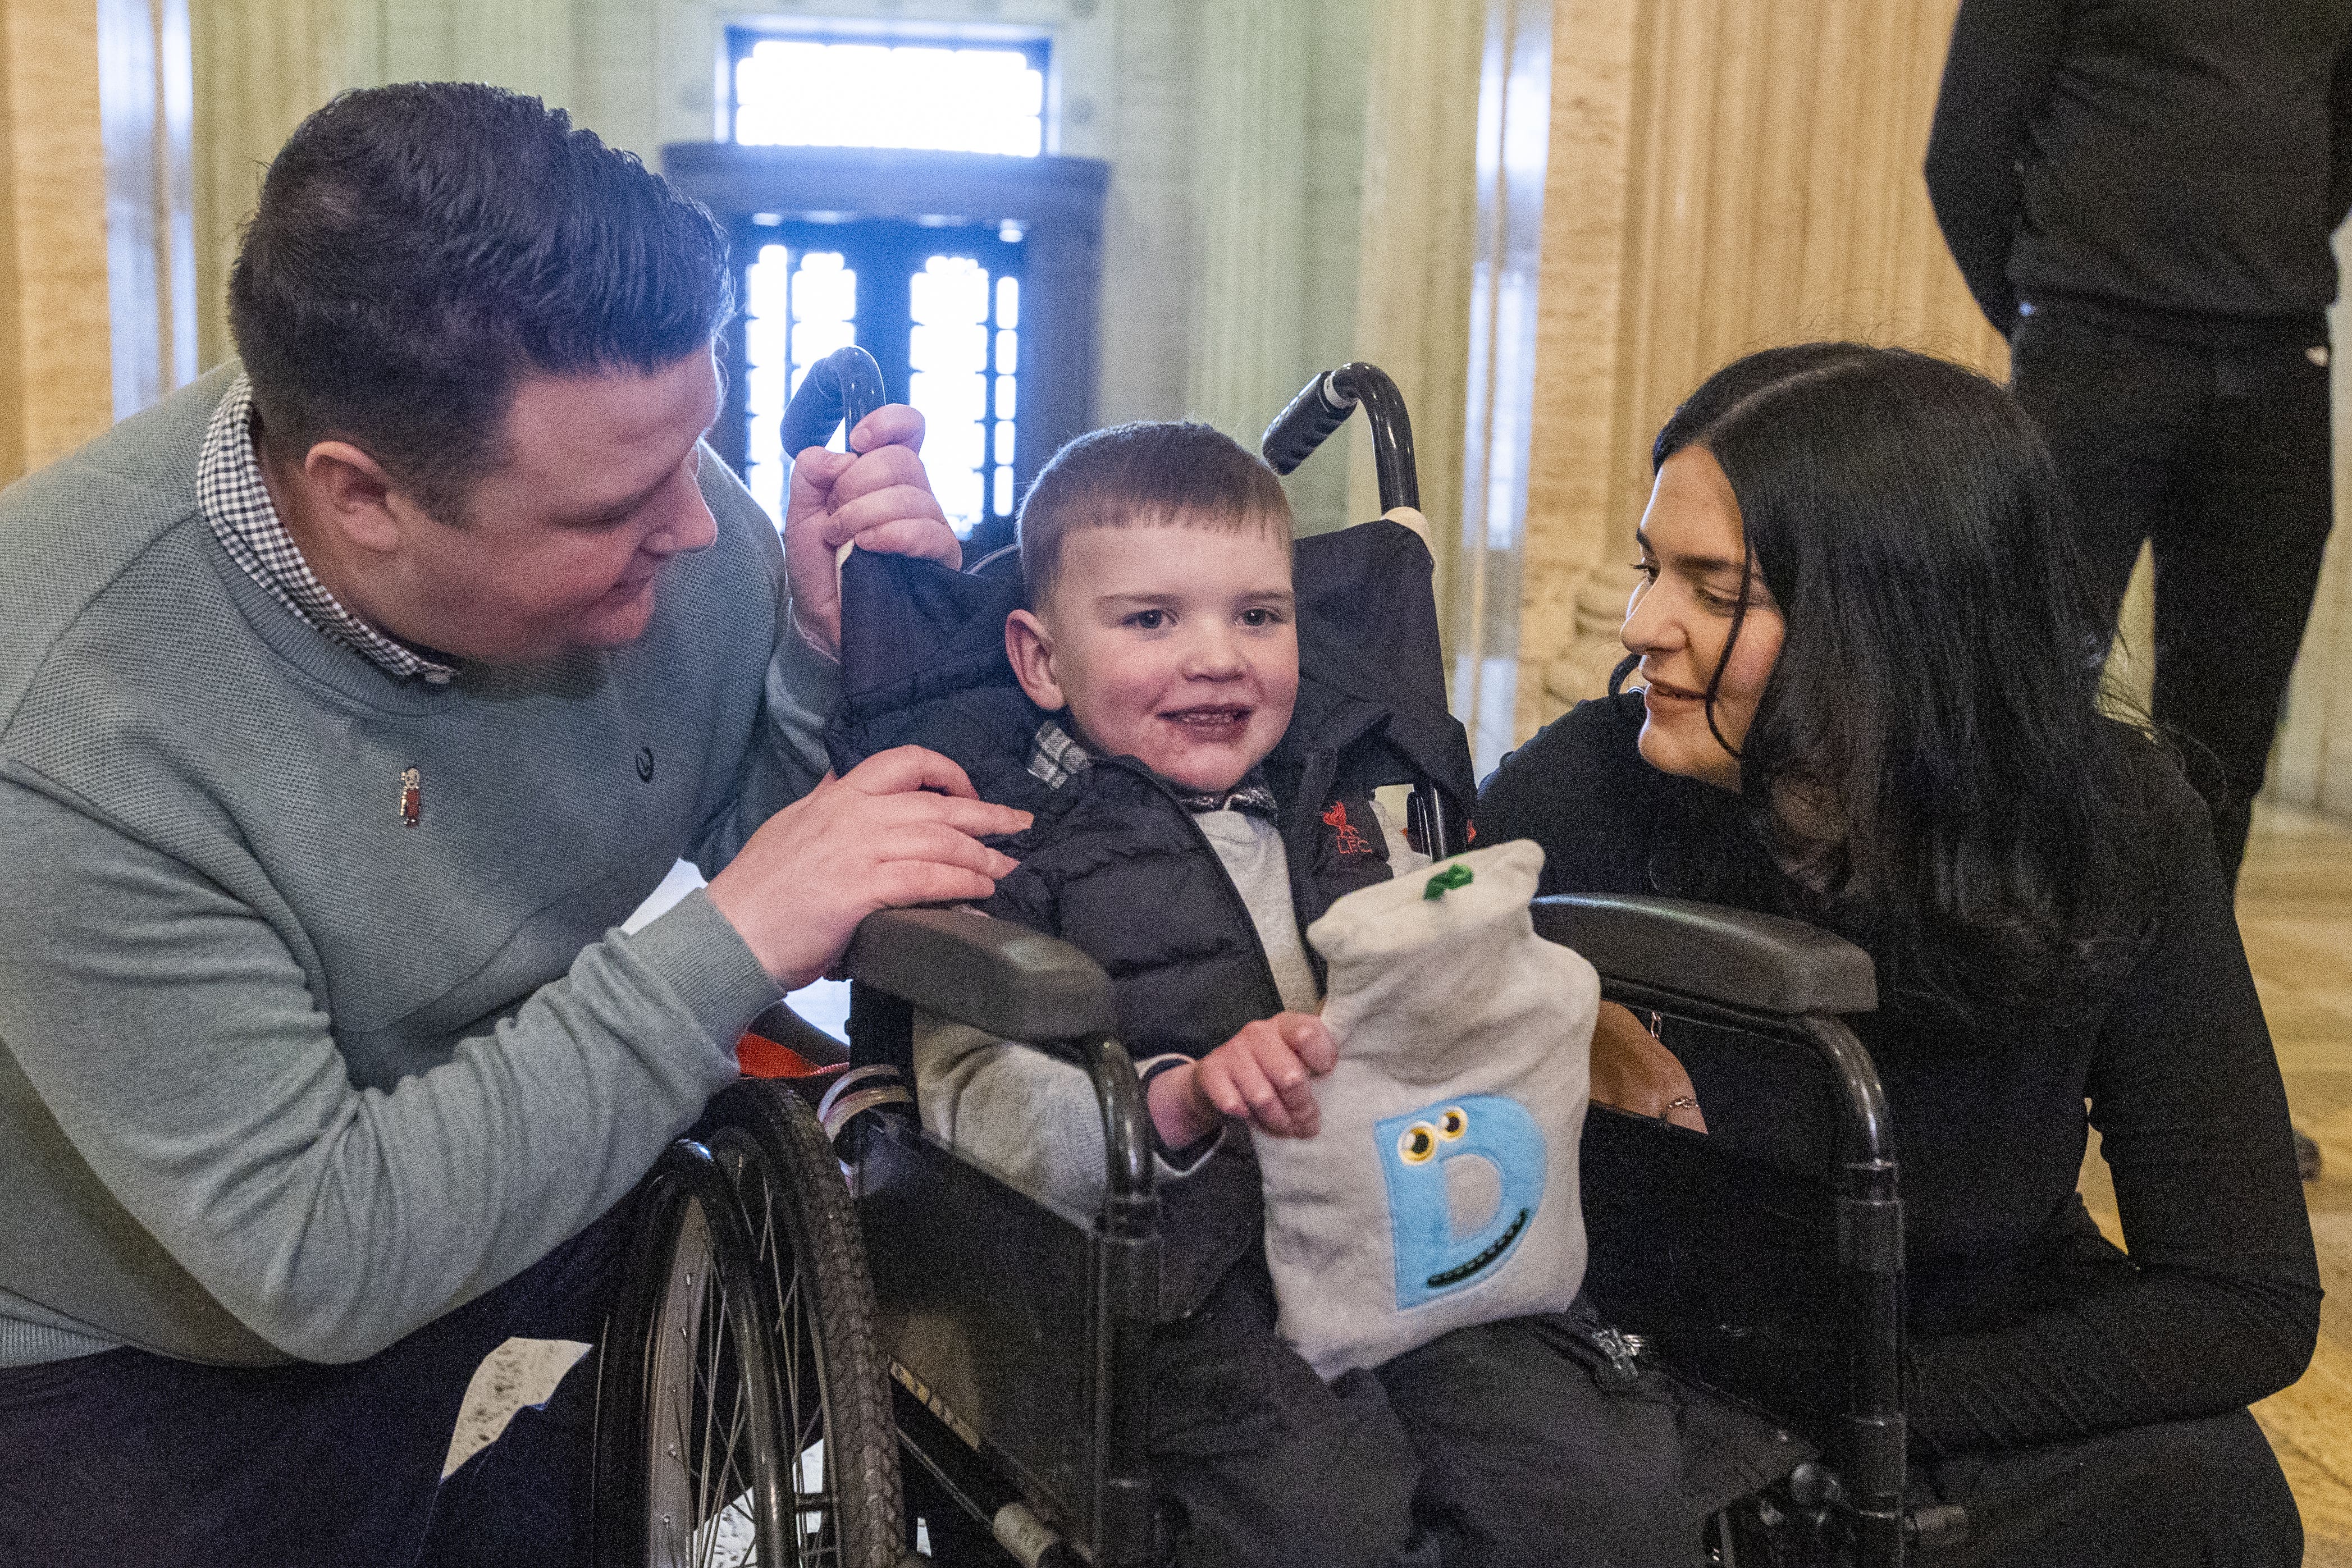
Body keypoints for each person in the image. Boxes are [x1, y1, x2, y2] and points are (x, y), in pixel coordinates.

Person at [0, 83, 1027, 1565]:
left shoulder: (645, 502)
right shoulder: (63, 729)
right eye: (621, 502)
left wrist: (837, 656)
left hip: (490, 1143)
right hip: (148, 1336)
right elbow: (318, 1254)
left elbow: (804, 846)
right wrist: (721, 937)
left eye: (698, 449)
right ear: (364, 499)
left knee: (939, 1263)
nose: (693, 523)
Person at [831, 421, 1796, 1568]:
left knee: (1604, 1498)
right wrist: (1178, 1102)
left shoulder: (1361, 798)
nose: (1217, 656)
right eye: (1150, 619)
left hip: (1404, 1240)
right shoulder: (998, 846)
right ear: (1040, 660)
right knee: (1315, 1521)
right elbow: (977, 1107)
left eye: (1259, 614)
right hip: (1172, 1287)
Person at [1478, 343, 2323, 1567]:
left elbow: (2241, 1298)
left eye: (1715, 592)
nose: (1640, 625)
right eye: (1650, 568)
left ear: (1889, 620)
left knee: (2211, 1493)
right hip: (1666, 1373)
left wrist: (1877, 1418)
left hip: (1954, 1354)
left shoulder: (2111, 819)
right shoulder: (1581, 791)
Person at [1925, 0, 2352, 1181]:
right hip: (2092, 351)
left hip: (2275, 361)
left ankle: (2182, 1079)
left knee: (2225, 740)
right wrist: (2051, 310)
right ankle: (1995, 1069)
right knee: (2023, 719)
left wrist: (2246, 270)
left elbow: (2335, 138)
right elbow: (1963, 149)